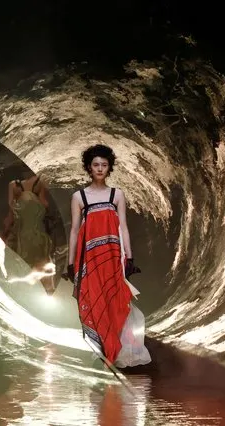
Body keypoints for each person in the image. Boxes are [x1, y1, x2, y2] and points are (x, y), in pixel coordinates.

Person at [66, 144, 151, 368]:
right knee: (94, 300)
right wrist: (70, 262)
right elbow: (75, 230)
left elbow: (123, 227)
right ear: (88, 167)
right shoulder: (79, 197)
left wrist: (129, 258)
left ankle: (114, 351)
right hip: (89, 259)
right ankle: (105, 349)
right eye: (96, 165)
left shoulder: (117, 195)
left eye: (104, 165)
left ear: (109, 168)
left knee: (115, 301)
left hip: (113, 258)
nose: (100, 168)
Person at [3, 170, 55, 295]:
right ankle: (49, 291)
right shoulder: (40, 181)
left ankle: (19, 292)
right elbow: (44, 203)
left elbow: (11, 211)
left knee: (21, 261)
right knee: (44, 260)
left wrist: (6, 231)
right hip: (36, 231)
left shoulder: (13, 185)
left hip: (20, 231)